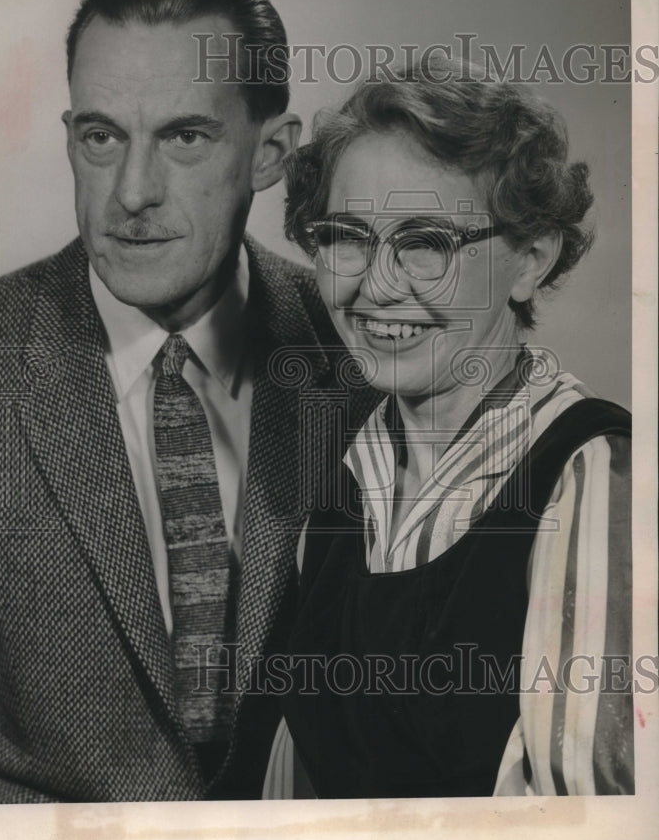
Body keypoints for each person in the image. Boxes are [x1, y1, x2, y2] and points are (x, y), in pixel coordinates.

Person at [0, 0, 378, 803]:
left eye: (185, 137)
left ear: (270, 152)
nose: (131, 193)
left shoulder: (361, 349)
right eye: (102, 137)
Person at [264, 56, 632, 798]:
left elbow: (591, 832)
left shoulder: (589, 474)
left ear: (530, 261)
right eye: (346, 237)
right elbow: (291, 799)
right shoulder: (340, 490)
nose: (376, 287)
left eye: (425, 243)